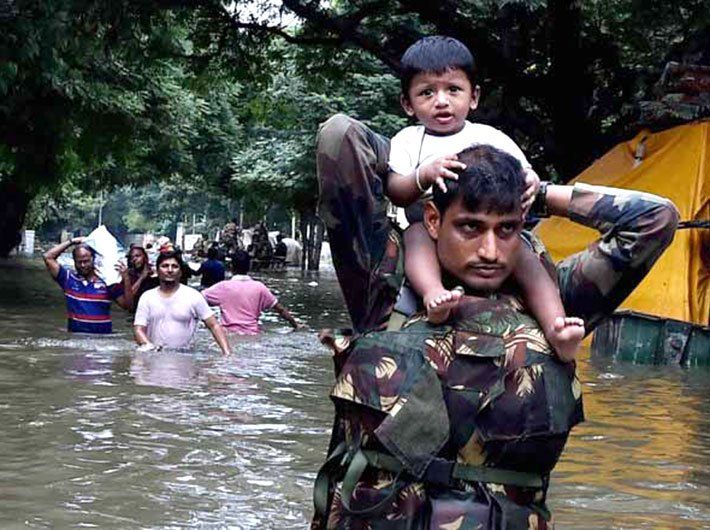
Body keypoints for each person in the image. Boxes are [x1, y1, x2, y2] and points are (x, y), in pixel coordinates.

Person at [313, 117, 679, 527]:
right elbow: (340, 137)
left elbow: (655, 219)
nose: (490, 250)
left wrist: (536, 194)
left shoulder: (555, 299)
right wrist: (418, 168)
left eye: (506, 229)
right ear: (433, 220)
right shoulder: (383, 280)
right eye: (470, 226)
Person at [386, 35, 583, 359]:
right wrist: (423, 174)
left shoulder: (490, 137)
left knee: (527, 258)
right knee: (416, 234)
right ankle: (433, 294)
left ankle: (557, 328)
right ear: (408, 104)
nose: (441, 101)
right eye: (426, 92)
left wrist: (532, 182)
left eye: (453, 89)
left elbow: (525, 173)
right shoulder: (408, 140)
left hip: (488, 227)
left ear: (473, 96)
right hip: (430, 233)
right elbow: (396, 190)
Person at [133, 250, 232, 355]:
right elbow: (138, 329)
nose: (170, 270)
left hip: (184, 356)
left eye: (174, 266)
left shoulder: (193, 296)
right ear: (157, 270)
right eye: (165, 266)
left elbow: (214, 325)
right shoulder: (147, 297)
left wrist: (227, 353)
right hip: (154, 355)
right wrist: (149, 347)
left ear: (180, 272)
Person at [43, 236, 133, 333]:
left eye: (86, 261)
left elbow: (128, 306)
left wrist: (126, 278)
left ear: (93, 259)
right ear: (74, 262)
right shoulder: (68, 280)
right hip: (76, 340)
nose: (82, 265)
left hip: (103, 342)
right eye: (79, 262)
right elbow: (48, 257)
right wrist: (72, 241)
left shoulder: (108, 282)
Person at [202, 250, 302, 334]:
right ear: (249, 266)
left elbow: (198, 299)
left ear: (231, 267)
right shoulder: (259, 287)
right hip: (252, 334)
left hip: (228, 335)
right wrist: (295, 325)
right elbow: (280, 309)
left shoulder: (222, 287)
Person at [126, 245, 159, 311]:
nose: (134, 259)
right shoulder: (129, 275)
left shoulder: (155, 272)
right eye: (132, 257)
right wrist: (142, 278)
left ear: (145, 257)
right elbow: (129, 297)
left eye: (138, 256)